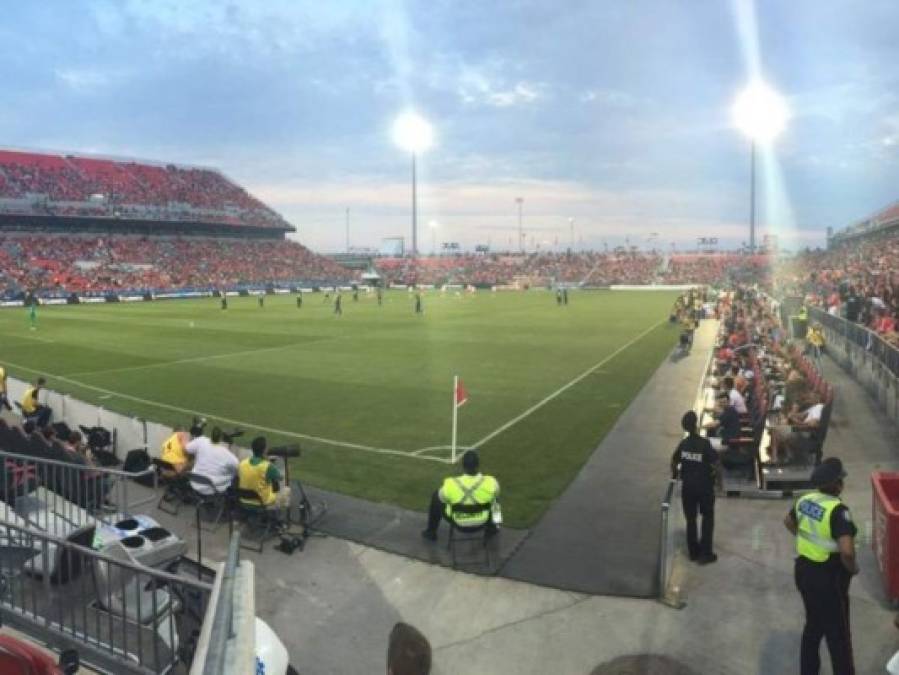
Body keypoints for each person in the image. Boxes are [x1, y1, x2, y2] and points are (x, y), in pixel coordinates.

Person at [784, 457, 857, 675]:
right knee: (839, 636)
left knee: (813, 626)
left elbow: (787, 522)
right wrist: (852, 568)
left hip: (803, 572)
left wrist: (806, 540)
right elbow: (847, 550)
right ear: (836, 484)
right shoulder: (838, 510)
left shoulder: (805, 500)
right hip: (829, 578)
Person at [671, 411, 719, 564]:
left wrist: (675, 475)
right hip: (704, 487)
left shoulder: (683, 444)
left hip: (688, 487)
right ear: (696, 424)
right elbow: (716, 463)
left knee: (690, 520)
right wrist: (717, 480)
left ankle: (693, 552)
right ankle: (706, 553)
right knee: (707, 517)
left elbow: (673, 461)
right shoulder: (704, 443)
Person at [421, 450, 499, 541]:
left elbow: (442, 499)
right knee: (495, 498)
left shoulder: (451, 483)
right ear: (478, 465)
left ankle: (431, 532)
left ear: (463, 466)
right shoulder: (490, 482)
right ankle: (493, 527)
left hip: (458, 522)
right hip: (482, 521)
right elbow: (495, 500)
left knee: (436, 497)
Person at [237, 436, 291, 512]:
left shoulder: (242, 463)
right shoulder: (267, 466)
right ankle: (280, 515)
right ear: (264, 450)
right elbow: (280, 478)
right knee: (287, 490)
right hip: (261, 503)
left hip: (243, 501)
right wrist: (269, 462)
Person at [184, 426, 239, 496]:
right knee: (232, 475)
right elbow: (237, 467)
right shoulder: (228, 455)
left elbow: (187, 448)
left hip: (194, 481)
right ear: (220, 438)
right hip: (211, 488)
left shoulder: (201, 441)